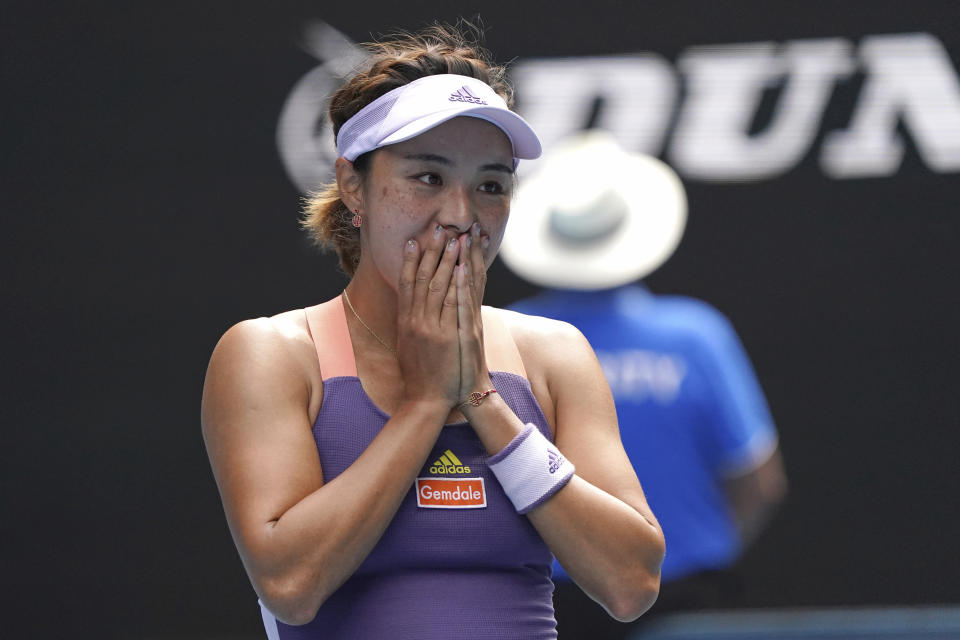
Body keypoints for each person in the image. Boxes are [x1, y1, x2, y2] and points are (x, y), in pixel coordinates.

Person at [200, 26, 665, 639]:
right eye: (428, 177)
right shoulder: (273, 354)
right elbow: (292, 586)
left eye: (491, 186)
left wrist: (482, 402)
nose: (461, 215)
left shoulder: (554, 354)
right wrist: (424, 405)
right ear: (351, 185)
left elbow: (632, 584)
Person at [502, 131, 787, 639]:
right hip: (688, 600)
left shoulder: (505, 337)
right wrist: (698, 556)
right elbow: (760, 483)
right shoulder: (696, 336)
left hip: (549, 603)